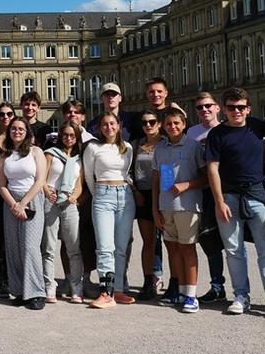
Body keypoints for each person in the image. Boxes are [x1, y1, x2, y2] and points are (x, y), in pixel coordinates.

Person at [206, 87, 265, 320]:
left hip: (256, 194)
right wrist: (219, 201)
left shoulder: (258, 126)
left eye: (241, 107)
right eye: (231, 107)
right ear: (224, 109)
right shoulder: (217, 134)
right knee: (234, 250)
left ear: (248, 109)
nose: (237, 111)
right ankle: (241, 295)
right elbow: (212, 168)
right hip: (229, 197)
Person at [152, 107, 207, 313]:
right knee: (173, 249)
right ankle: (182, 292)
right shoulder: (160, 148)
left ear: (184, 124)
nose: (172, 127)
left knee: (187, 248)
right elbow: (156, 180)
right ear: (163, 127)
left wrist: (188, 185)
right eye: (168, 124)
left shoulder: (194, 146)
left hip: (187, 206)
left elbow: (206, 177)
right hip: (166, 206)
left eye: (176, 123)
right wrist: (155, 209)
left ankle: (191, 295)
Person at [83, 112, 135, 308]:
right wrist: (98, 193)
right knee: (105, 247)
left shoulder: (127, 148)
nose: (109, 127)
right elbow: (89, 175)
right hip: (103, 194)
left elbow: (126, 173)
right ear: (99, 128)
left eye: (112, 123)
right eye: (104, 124)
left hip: (125, 196)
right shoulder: (93, 147)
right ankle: (106, 291)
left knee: (121, 247)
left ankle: (118, 289)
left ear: (118, 125)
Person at [0, 116, 48, 309]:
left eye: (21, 129)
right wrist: (14, 204)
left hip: (31, 199)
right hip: (10, 201)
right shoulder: (4, 155)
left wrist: (23, 203)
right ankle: (19, 291)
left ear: (27, 132)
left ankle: (36, 293)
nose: (16, 132)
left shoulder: (36, 152)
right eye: (13, 129)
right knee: (14, 248)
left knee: (30, 247)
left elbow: (40, 180)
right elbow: (2, 184)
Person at [187, 92, 227, 304]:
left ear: (218, 108)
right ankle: (217, 286)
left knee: (234, 242)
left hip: (226, 191)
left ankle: (242, 290)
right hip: (202, 191)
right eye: (200, 107)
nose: (204, 110)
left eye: (208, 105)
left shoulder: (227, 128)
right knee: (210, 239)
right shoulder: (192, 132)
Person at [41, 121, 85, 304]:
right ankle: (49, 286)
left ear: (77, 137)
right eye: (65, 134)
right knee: (48, 247)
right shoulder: (50, 154)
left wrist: (75, 196)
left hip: (69, 202)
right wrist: (47, 192)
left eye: (72, 135)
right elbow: (42, 179)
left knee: (73, 247)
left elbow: (79, 184)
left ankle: (76, 286)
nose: (68, 138)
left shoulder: (78, 159)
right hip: (51, 200)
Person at [131, 110, 164, 301]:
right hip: (143, 195)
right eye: (144, 123)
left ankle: (175, 282)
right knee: (149, 241)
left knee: (171, 242)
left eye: (152, 121)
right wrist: (135, 190)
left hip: (164, 194)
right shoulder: (136, 144)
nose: (148, 125)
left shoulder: (166, 143)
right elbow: (128, 171)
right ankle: (147, 281)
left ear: (159, 123)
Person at [0, 102, 16, 294]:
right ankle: (2, 278)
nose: (5, 117)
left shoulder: (19, 138)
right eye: (1, 114)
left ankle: (17, 275)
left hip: (17, 192)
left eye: (9, 114)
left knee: (17, 237)